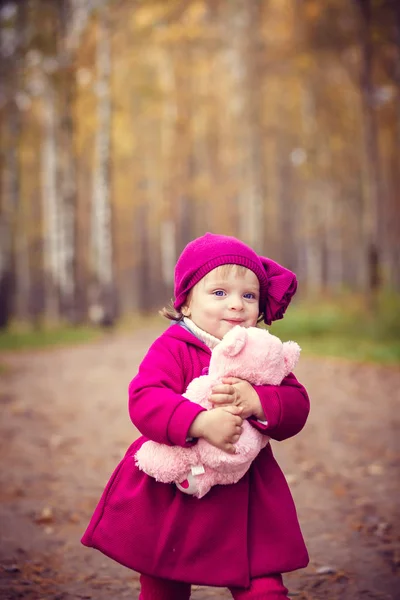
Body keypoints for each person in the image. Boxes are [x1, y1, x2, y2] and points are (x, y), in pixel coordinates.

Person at [81, 232, 310, 600]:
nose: (236, 305)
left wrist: (258, 400)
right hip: (178, 489)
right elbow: (145, 398)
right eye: (220, 293)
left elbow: (297, 404)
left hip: (245, 491)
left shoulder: (262, 353)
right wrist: (198, 422)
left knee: (262, 582)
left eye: (248, 295)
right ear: (186, 303)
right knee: (164, 580)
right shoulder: (173, 348)